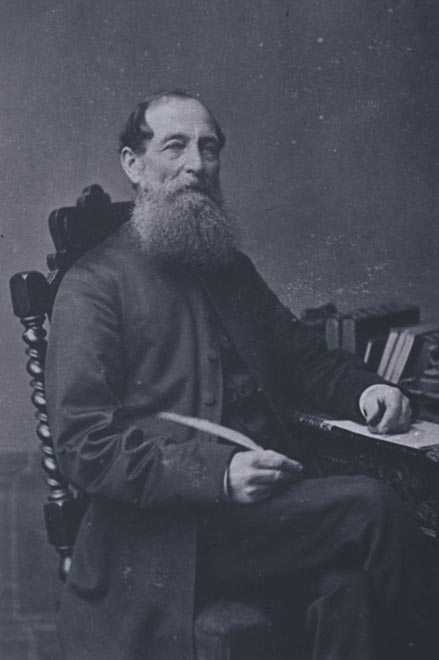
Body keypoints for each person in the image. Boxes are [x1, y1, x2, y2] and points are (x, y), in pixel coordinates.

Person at [46, 89, 423, 660]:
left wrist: (368, 388)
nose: (197, 164)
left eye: (210, 148)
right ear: (134, 165)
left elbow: (304, 358)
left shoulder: (229, 268)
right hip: (169, 537)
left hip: (263, 521)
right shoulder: (93, 286)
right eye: (175, 146)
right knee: (374, 509)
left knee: (350, 592)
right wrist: (219, 475)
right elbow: (85, 446)